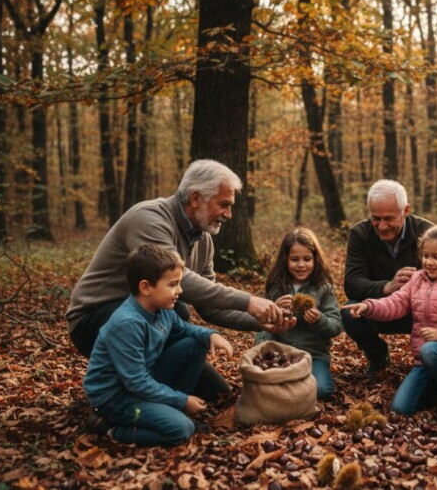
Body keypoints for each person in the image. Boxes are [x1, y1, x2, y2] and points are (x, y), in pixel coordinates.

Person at [67, 159, 294, 401]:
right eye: (224, 204)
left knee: (217, 392)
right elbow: (181, 280)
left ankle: (153, 391)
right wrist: (248, 301)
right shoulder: (149, 218)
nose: (229, 214)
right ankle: (121, 403)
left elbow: (210, 306)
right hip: (97, 318)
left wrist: (261, 321)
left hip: (150, 320)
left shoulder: (204, 240)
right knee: (180, 311)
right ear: (196, 199)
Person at [84, 245, 234, 446]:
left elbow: (185, 329)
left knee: (196, 344)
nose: (180, 290)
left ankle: (171, 410)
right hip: (115, 397)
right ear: (146, 288)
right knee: (182, 430)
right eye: (173, 284)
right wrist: (182, 400)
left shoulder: (161, 309)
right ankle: (111, 429)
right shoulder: (127, 323)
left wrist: (211, 335)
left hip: (143, 378)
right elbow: (136, 382)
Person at [343, 224, 437, 424]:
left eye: (436, 257)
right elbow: (394, 303)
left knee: (431, 349)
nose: (429, 262)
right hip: (425, 360)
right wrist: (368, 306)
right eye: (425, 256)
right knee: (401, 408)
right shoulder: (417, 279)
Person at [342, 180, 433, 378]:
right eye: (375, 218)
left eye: (389, 218)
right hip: (378, 308)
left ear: (405, 210)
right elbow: (352, 283)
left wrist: (416, 286)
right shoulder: (359, 234)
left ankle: (429, 361)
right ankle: (378, 356)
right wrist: (387, 286)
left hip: (419, 310)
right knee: (350, 312)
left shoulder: (428, 232)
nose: (382, 226)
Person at [255, 228, 342, 400]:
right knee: (265, 384)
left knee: (321, 390)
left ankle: (295, 387)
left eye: (307, 259)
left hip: (314, 356)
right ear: (285, 260)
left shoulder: (324, 288)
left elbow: (336, 326)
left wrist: (319, 319)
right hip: (281, 353)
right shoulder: (277, 287)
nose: (301, 265)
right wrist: (261, 348)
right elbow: (264, 325)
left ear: (315, 259)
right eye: (295, 259)